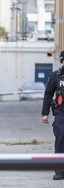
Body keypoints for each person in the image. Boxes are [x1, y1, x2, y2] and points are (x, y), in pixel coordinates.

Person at [42, 50, 64, 180]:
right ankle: (60, 170)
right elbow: (48, 94)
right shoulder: (55, 76)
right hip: (61, 113)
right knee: (60, 138)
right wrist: (45, 113)